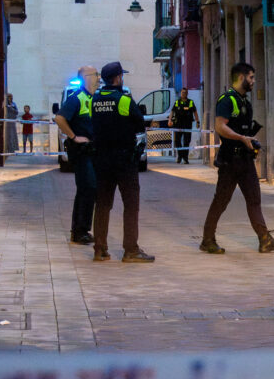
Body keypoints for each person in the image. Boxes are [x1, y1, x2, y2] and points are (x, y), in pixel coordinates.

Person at [200, 62, 274, 254]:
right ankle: (207, 240)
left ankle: (265, 240)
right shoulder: (227, 100)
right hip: (230, 161)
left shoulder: (245, 102)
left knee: (254, 199)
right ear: (241, 77)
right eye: (251, 77)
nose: (253, 81)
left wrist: (249, 139)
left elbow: (241, 129)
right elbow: (220, 126)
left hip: (245, 160)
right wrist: (241, 138)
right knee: (221, 201)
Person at [90, 61, 153, 263]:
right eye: (121, 76)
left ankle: (99, 249)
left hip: (102, 160)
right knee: (131, 204)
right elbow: (139, 123)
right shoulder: (124, 100)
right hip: (124, 160)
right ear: (117, 78)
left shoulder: (95, 100)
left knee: (102, 205)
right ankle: (130, 250)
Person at [55, 66, 99, 245]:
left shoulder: (93, 98)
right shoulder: (77, 98)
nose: (98, 78)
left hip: (93, 152)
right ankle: (79, 231)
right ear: (86, 77)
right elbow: (59, 118)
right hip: (82, 153)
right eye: (96, 75)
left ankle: (81, 230)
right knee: (87, 189)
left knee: (89, 190)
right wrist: (74, 136)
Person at [168, 88, 199, 164]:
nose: (183, 94)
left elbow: (195, 112)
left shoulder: (190, 102)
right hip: (178, 124)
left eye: (185, 92)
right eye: (182, 92)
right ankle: (180, 156)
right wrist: (170, 120)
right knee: (177, 141)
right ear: (180, 93)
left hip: (187, 124)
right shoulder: (177, 102)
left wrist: (198, 122)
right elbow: (172, 111)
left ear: (187, 94)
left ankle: (185, 158)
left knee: (187, 141)